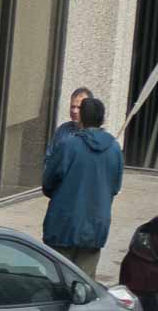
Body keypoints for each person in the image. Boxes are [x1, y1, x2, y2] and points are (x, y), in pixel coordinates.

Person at [42, 96, 123, 278]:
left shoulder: (68, 145)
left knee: (57, 280)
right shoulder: (115, 149)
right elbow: (115, 187)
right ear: (102, 119)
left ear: (83, 118)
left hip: (63, 224)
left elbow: (48, 182)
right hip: (95, 226)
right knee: (84, 284)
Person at [50, 86, 94, 155]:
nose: (74, 111)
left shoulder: (96, 136)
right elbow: (49, 155)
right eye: (72, 107)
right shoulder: (62, 129)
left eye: (79, 107)